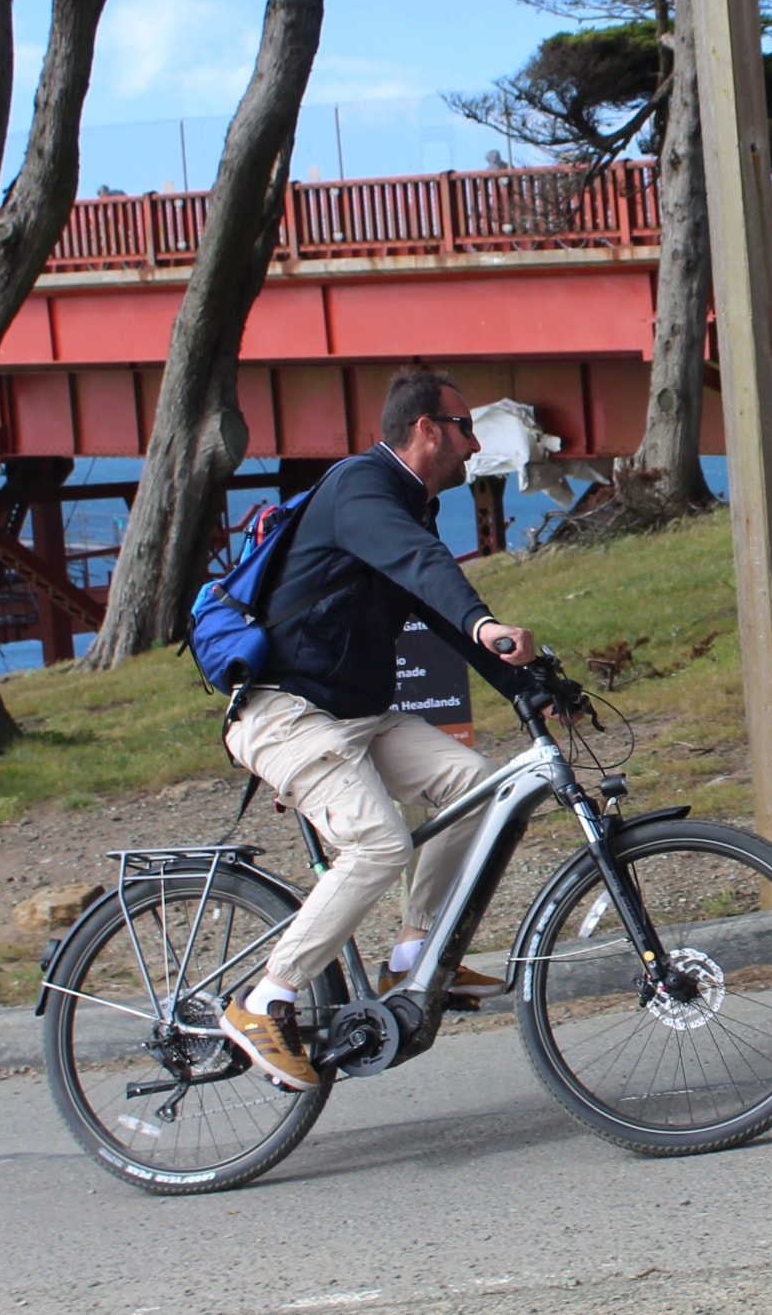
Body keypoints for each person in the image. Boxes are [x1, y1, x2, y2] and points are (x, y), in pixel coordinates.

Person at [216, 368, 540, 1091]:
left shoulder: (406, 506)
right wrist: (484, 621)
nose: (475, 444)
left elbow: (429, 601)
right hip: (286, 713)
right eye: (464, 429)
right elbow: (422, 567)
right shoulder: (361, 489)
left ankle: (417, 951)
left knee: (478, 784)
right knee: (378, 841)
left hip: (352, 716)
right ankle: (266, 998)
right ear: (426, 430)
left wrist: (529, 688)